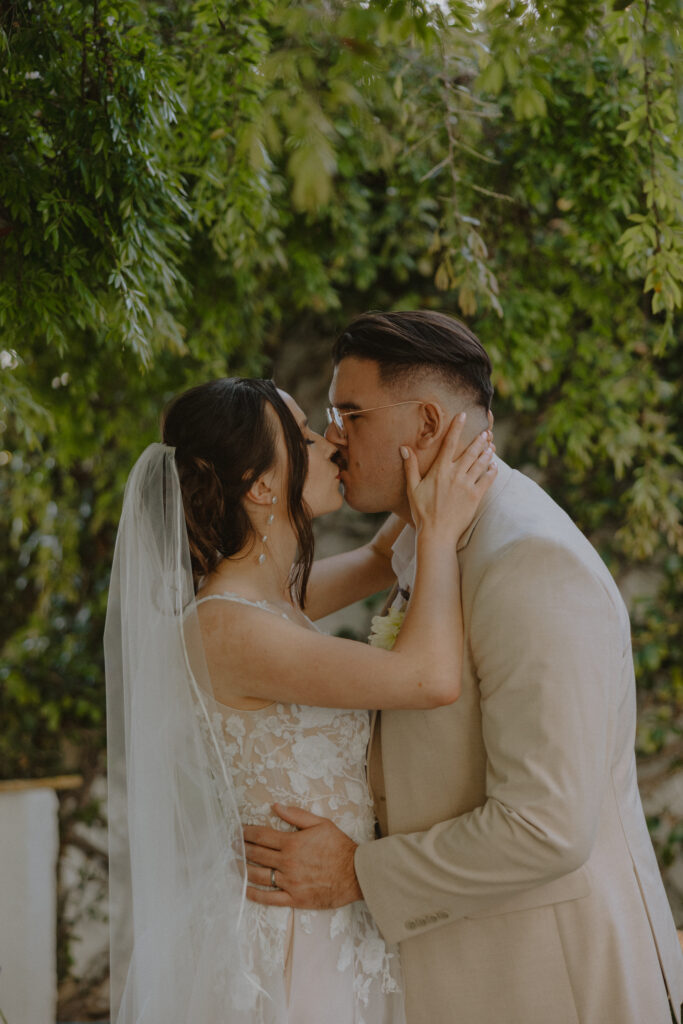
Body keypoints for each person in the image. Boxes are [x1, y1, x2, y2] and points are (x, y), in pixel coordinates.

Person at [244, 311, 683, 1024]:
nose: (333, 437)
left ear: (425, 422)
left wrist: (356, 872)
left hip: (548, 981)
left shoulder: (527, 560)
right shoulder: (439, 537)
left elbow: (546, 824)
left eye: (349, 413)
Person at [104, 375, 496, 1024]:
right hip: (287, 938)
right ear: (262, 486)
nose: (331, 441)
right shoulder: (226, 627)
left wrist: (425, 460)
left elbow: (379, 559)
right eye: (307, 436)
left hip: (331, 914)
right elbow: (428, 678)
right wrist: (438, 530)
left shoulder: (270, 601)